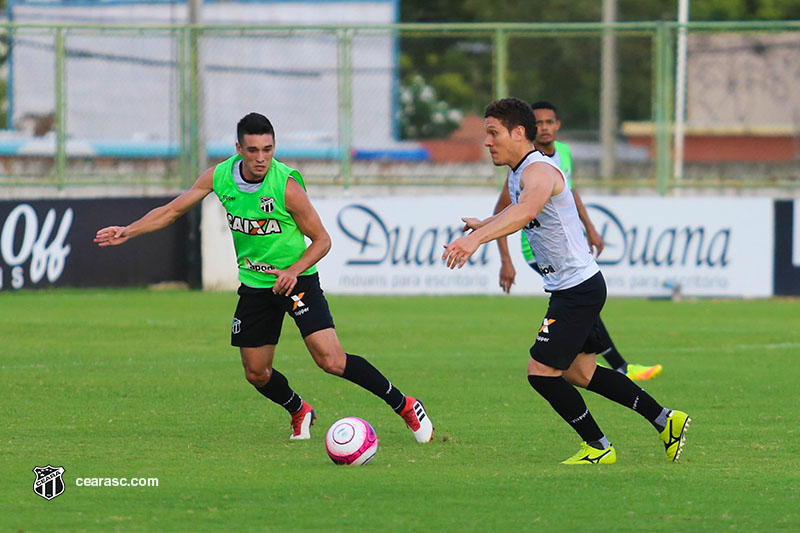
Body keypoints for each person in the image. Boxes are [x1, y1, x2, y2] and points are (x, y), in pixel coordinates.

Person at [95, 112, 433, 443]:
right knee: (256, 373)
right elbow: (172, 211)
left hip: (297, 281)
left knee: (330, 360)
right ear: (239, 148)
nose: (261, 158)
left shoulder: (286, 186)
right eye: (253, 150)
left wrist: (292, 271)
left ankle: (404, 405)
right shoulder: (219, 177)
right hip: (256, 287)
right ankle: (299, 410)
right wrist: (128, 230)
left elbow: (322, 240)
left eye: (268, 150)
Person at [442, 98, 689, 464]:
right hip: (574, 287)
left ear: (518, 133)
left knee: (540, 373)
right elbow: (518, 208)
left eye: (493, 133)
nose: (487, 142)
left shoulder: (538, 171)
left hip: (577, 290)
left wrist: (474, 240)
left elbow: (528, 209)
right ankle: (665, 419)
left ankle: (599, 447)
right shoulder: (519, 172)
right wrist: (485, 223)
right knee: (581, 372)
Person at [494, 100, 662, 382]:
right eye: (539, 123)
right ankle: (619, 365)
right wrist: (506, 261)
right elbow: (503, 213)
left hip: (568, 247)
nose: (544, 127)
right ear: (527, 129)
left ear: (557, 126)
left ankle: (602, 366)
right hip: (540, 253)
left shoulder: (562, 154)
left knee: (581, 306)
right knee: (580, 302)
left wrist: (590, 228)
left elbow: (569, 192)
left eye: (550, 122)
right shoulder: (524, 169)